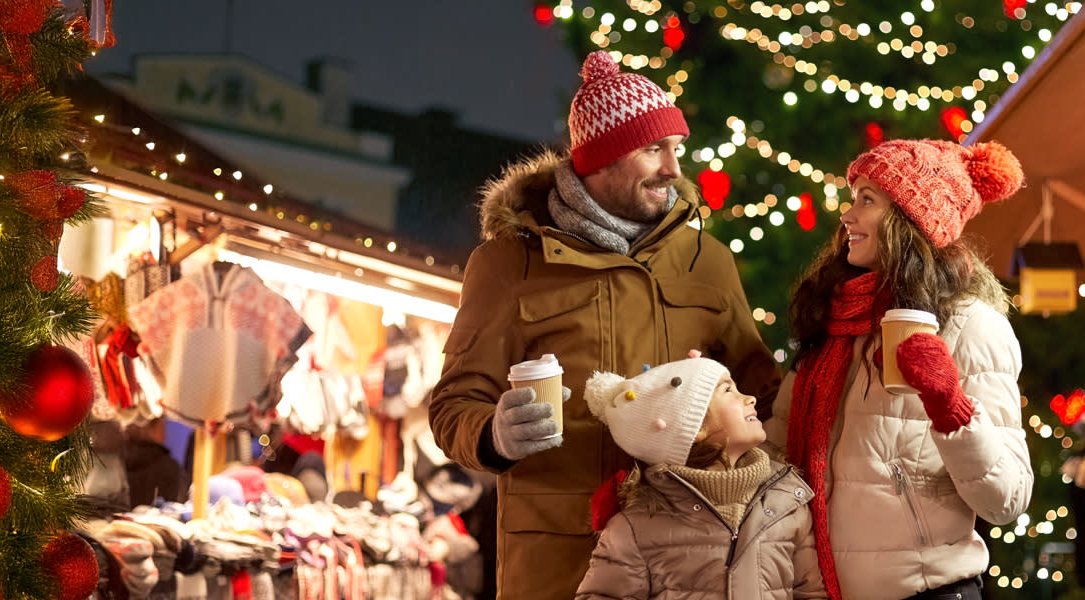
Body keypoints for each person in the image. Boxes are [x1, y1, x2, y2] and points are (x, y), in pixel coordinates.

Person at [428, 50, 781, 599]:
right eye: (652, 149)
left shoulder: (707, 259)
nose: (673, 169)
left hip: (687, 562)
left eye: (674, 149)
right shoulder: (508, 263)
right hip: (559, 562)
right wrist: (493, 433)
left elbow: (765, 393)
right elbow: (454, 404)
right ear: (600, 160)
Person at [765, 139, 1034, 600]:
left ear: (911, 221)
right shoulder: (832, 321)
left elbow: (1007, 499)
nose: (847, 217)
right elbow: (776, 450)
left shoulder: (971, 325)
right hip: (818, 590)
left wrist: (950, 406)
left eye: (867, 200)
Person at [575, 357, 825, 599]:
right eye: (728, 390)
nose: (750, 398)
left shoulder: (788, 503)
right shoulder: (635, 527)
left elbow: (810, 593)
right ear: (695, 426)